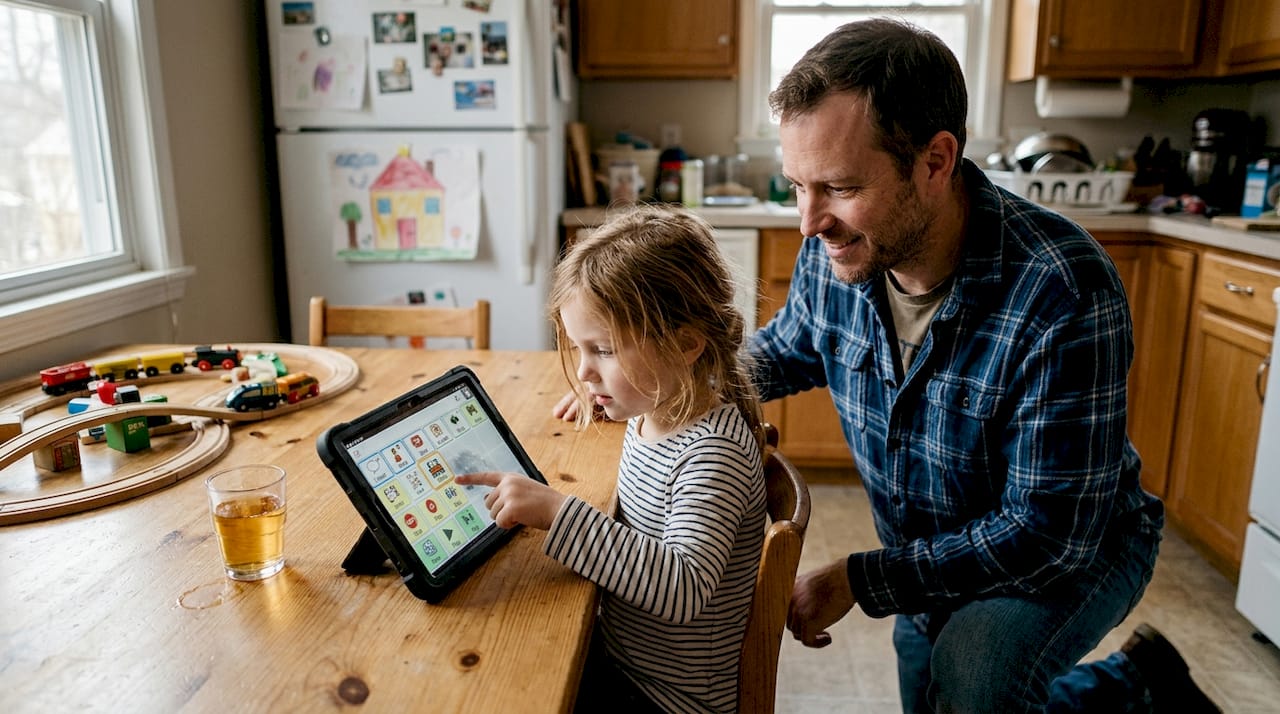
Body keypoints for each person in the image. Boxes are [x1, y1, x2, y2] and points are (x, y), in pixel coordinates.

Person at [746, 17, 1220, 714]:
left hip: (1074, 546)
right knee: (934, 695)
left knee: (973, 678)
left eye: (839, 188)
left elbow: (1044, 534)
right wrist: (662, 381)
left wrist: (860, 578)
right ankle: (1133, 682)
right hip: (931, 545)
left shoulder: (1064, 290)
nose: (808, 223)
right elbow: (786, 350)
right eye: (797, 186)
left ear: (936, 162)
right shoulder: (840, 252)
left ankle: (1127, 688)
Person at [458, 205, 767, 714]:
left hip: (668, 698)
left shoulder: (713, 453)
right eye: (579, 349)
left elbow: (682, 588)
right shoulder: (659, 412)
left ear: (686, 343)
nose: (583, 372)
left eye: (601, 349)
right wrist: (611, 402)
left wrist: (558, 513)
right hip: (628, 662)